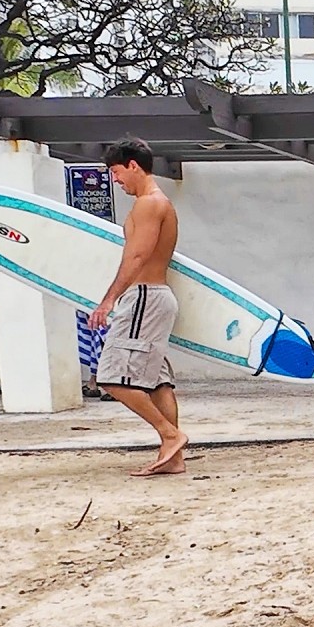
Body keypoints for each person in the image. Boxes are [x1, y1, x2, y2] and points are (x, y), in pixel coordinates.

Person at [90, 137, 189, 476]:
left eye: (117, 172)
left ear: (133, 166)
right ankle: (173, 459)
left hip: (145, 297)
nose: (115, 180)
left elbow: (137, 255)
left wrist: (108, 300)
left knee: (111, 377)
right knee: (158, 382)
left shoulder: (149, 204)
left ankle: (170, 434)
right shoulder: (157, 203)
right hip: (154, 297)